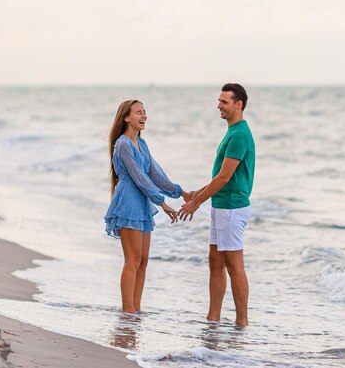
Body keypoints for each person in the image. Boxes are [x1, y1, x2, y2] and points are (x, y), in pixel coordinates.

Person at [179, 83, 255, 327]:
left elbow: (224, 178)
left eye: (224, 102)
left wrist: (196, 203)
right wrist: (197, 194)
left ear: (238, 104)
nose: (219, 105)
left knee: (234, 266)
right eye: (219, 101)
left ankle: (242, 321)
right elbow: (220, 176)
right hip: (222, 205)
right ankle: (213, 318)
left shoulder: (240, 134)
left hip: (232, 207)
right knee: (215, 262)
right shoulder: (232, 131)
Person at [105, 99, 191, 313]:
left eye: (144, 112)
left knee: (143, 261)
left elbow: (155, 174)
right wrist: (162, 203)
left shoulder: (141, 144)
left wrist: (180, 193)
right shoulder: (123, 144)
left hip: (142, 203)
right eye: (138, 113)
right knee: (132, 260)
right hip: (128, 202)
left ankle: (136, 309)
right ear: (126, 117)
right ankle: (128, 311)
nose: (144, 116)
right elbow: (139, 178)